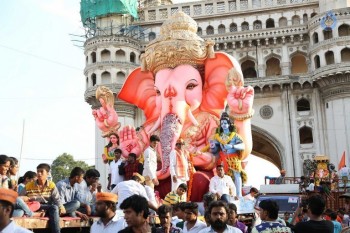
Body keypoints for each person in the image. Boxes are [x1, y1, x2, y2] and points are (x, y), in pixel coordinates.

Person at [209, 112, 246, 197]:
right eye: (222, 123)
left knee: (237, 175)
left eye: (225, 123)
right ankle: (227, 194)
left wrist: (232, 146)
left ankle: (239, 195)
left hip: (233, 158)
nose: (224, 125)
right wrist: (213, 146)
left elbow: (242, 145)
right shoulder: (218, 137)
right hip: (223, 158)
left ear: (229, 124)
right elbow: (214, 151)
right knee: (224, 177)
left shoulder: (235, 136)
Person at [19, 163, 63, 233]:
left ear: (48, 174)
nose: (39, 174)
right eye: (38, 171)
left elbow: (57, 199)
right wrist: (28, 199)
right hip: (34, 207)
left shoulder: (51, 185)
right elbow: (19, 198)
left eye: (41, 171)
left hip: (47, 207)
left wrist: (61, 207)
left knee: (60, 207)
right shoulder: (29, 185)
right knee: (54, 208)